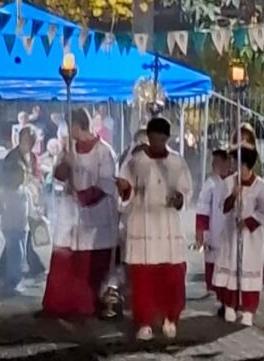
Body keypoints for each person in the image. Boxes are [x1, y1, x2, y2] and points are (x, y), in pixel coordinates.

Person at [115, 118, 192, 340]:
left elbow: (186, 191)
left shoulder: (177, 162)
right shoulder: (135, 162)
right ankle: (144, 321)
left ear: (167, 138)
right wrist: (125, 190)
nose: (157, 142)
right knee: (143, 277)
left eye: (162, 138)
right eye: (153, 138)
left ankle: (170, 317)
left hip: (167, 225)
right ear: (147, 137)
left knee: (171, 276)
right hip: (143, 224)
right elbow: (125, 192)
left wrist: (179, 199)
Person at [41, 108, 118, 318]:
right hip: (70, 215)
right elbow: (59, 176)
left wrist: (83, 197)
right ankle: (59, 304)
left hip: (95, 217)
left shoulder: (104, 151)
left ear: (78, 125)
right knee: (64, 259)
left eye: (70, 125)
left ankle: (89, 304)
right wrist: (65, 162)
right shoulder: (70, 150)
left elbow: (106, 184)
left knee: (91, 265)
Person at [212, 145, 264, 326]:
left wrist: (248, 222)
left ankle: (248, 310)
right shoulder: (230, 183)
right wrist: (233, 196)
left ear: (245, 164)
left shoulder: (260, 186)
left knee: (248, 273)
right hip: (232, 235)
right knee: (231, 269)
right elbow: (223, 207)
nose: (233, 165)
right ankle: (230, 305)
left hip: (251, 238)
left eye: (236, 162)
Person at [0, 126, 45, 279]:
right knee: (17, 236)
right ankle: (30, 267)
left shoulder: (33, 157)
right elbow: (6, 180)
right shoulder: (12, 157)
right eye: (25, 140)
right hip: (15, 198)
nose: (27, 144)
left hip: (29, 196)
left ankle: (6, 269)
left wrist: (38, 194)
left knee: (21, 236)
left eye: (30, 141)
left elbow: (37, 176)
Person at [195, 148, 234, 316]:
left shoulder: (234, 182)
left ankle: (230, 301)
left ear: (227, 163)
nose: (214, 166)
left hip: (231, 234)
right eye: (213, 163)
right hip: (214, 234)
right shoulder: (210, 184)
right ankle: (222, 300)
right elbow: (202, 209)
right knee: (215, 269)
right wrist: (200, 232)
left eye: (217, 162)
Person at [0, 164, 30, 296]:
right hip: (10, 228)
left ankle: (13, 280)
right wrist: (1, 208)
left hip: (23, 228)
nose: (21, 177)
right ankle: (12, 281)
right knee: (16, 254)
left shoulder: (25, 191)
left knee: (20, 254)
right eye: (19, 174)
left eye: (23, 174)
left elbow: (29, 209)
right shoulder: (6, 192)